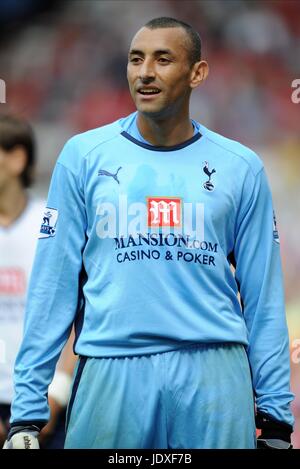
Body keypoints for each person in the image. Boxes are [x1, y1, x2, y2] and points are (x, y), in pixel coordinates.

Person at [3, 17, 294, 449]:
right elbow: (51, 292)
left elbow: (263, 303)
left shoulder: (241, 167)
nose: (145, 72)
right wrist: (26, 414)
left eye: (163, 59)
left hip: (215, 375)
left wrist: (275, 420)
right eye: (136, 59)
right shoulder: (83, 157)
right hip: (111, 369)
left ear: (198, 73)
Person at [0, 114, 76, 449]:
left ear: (17, 158)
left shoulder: (51, 226)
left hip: (46, 403)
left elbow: (78, 313)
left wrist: (57, 392)